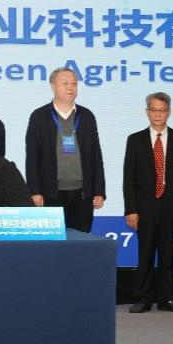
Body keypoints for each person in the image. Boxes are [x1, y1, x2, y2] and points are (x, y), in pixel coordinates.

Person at [123, 92, 173, 313]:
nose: (157, 114)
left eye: (162, 110)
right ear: (147, 112)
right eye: (153, 109)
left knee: (167, 253)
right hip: (144, 207)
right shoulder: (135, 140)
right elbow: (128, 178)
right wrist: (130, 209)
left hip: (172, 206)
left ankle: (167, 299)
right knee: (145, 253)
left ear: (169, 112)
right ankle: (143, 298)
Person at [24, 67, 106, 232]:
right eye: (65, 83)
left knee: (80, 240)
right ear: (53, 86)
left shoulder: (86, 116)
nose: (70, 87)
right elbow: (32, 157)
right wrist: (35, 191)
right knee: (53, 242)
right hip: (50, 193)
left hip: (82, 194)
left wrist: (99, 190)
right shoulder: (39, 116)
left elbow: (96, 155)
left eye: (74, 84)